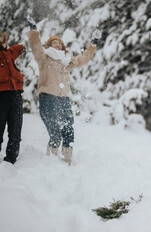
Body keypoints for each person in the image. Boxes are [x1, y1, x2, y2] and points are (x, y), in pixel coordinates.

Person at [26, 15, 102, 165]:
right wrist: (34, 30)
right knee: (55, 133)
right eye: (54, 43)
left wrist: (93, 44)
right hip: (48, 97)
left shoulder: (66, 61)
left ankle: (67, 162)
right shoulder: (44, 58)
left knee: (68, 131)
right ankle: (51, 164)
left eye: (59, 43)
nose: (57, 45)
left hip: (63, 99)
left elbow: (83, 58)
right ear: (48, 46)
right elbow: (35, 46)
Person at [0, 31, 25, 164]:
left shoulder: (9, 53)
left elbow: (18, 48)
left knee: (15, 132)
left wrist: (23, 48)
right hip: (1, 96)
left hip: (15, 95)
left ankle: (11, 160)